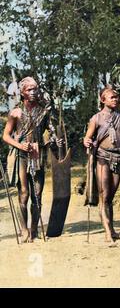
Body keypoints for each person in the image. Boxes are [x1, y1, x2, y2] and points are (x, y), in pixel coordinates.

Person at [2, 76, 61, 242]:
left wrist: (56, 140)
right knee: (24, 193)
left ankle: (34, 228)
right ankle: (24, 229)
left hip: (38, 155)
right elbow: (5, 136)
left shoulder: (44, 111)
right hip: (21, 155)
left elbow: (51, 132)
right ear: (22, 92)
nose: (34, 92)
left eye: (35, 88)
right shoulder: (15, 112)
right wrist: (19, 145)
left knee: (37, 194)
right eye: (29, 89)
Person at [83, 86, 120, 244]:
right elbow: (87, 138)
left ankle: (113, 230)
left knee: (110, 197)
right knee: (104, 196)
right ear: (103, 100)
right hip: (102, 158)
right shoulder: (96, 118)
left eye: (116, 97)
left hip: (118, 158)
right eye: (112, 97)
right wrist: (87, 141)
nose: (115, 99)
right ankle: (107, 232)